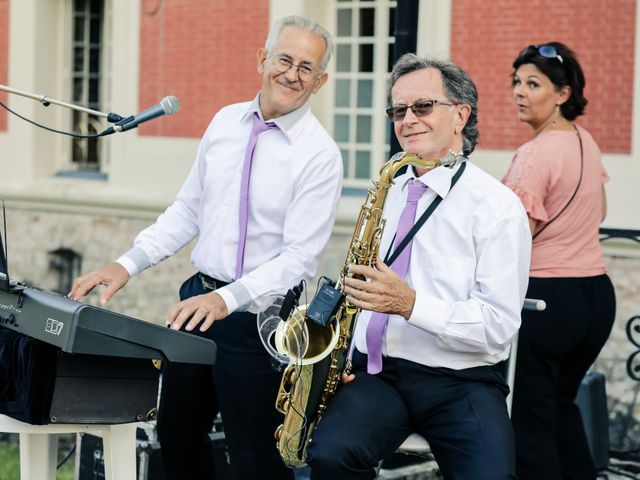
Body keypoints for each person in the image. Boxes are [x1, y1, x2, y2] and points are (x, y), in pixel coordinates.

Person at [69, 15, 342, 480]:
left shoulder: (321, 156)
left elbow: (298, 259)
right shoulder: (223, 122)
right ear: (262, 59)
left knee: (256, 457)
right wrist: (126, 264)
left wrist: (225, 299)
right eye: (284, 59)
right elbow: (187, 211)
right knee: (176, 439)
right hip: (195, 303)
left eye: (306, 67)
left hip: (263, 322)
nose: (292, 74)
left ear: (320, 82)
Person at [306, 53, 531, 480]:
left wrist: (410, 304)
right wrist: (340, 358)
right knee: (329, 456)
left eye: (423, 107)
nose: (407, 119)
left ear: (460, 114)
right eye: (398, 110)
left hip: (462, 382)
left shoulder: (498, 206)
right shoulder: (388, 188)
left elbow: (498, 324)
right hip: (379, 374)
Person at [503, 42, 616, 480]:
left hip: (547, 300)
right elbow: (601, 210)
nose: (519, 92)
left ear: (562, 94)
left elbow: (513, 240)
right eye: (517, 82)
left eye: (533, 84)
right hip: (596, 297)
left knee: (529, 422)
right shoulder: (585, 141)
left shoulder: (534, 154)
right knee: (559, 407)